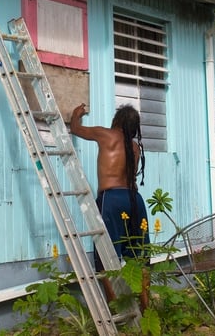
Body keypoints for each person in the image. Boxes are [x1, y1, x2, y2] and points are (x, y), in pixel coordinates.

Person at [70, 103, 150, 304]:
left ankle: (115, 305)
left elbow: (76, 129)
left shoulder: (105, 134)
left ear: (117, 121)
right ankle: (146, 305)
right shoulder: (135, 147)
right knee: (139, 256)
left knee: (105, 256)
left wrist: (76, 114)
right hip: (134, 200)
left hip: (111, 198)